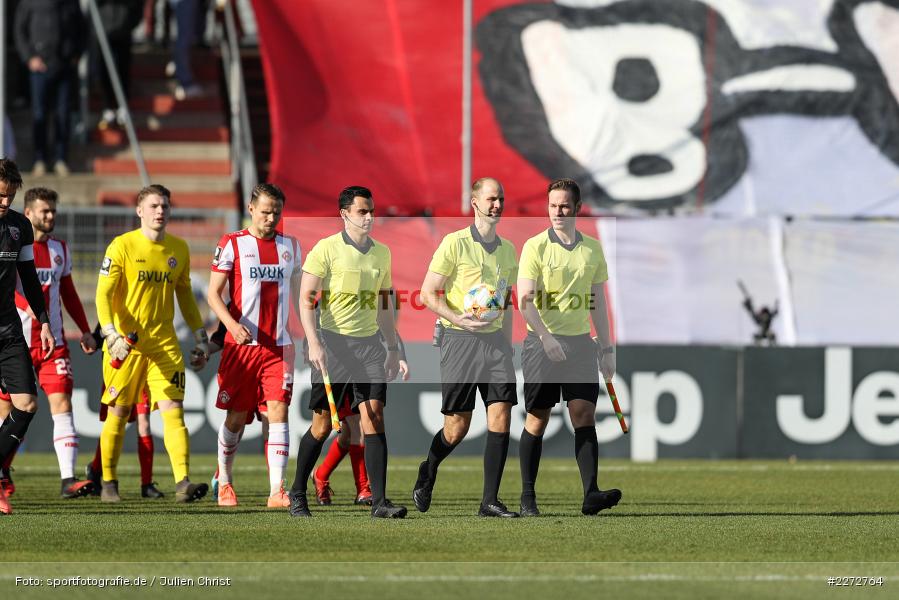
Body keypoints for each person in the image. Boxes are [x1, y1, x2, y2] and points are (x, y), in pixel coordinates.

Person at [288, 185, 405, 518]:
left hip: (369, 346)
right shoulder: (325, 250)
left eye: (371, 211)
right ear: (344, 214)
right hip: (332, 344)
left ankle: (379, 503)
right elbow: (306, 299)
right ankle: (298, 492)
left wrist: (393, 347)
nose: (368, 217)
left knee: (374, 416)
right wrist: (313, 341)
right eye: (361, 211)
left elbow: (385, 305)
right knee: (323, 426)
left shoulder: (382, 252)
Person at [411, 177, 519, 518]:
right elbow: (428, 293)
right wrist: (459, 319)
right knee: (457, 426)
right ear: (474, 203)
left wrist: (508, 341)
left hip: (495, 342)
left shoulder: (508, 249)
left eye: (500, 198)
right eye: (490, 199)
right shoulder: (454, 243)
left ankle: (489, 501)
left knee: (501, 414)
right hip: (459, 339)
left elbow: (506, 301)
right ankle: (428, 468)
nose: (497, 205)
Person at [95, 183, 209, 503]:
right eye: (154, 206)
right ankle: (108, 483)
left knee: (173, 409)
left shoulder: (179, 249)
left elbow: (185, 295)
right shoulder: (122, 246)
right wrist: (110, 333)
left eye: (165, 206)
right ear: (139, 211)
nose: (160, 211)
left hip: (164, 343)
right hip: (126, 344)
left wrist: (201, 337)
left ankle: (183, 483)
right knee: (119, 410)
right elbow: (103, 294)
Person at [516, 178, 622, 517]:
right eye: (552, 206)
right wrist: (546, 338)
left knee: (584, 415)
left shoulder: (591, 249)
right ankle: (527, 497)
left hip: (580, 346)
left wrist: (607, 348)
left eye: (563, 206)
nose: (557, 212)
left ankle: (591, 494)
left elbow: (598, 303)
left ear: (577, 208)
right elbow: (524, 301)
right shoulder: (535, 246)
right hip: (541, 345)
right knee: (537, 419)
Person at [207, 183, 300, 508]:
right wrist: (232, 326)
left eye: (276, 212)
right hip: (241, 347)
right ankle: (225, 482)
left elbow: (300, 296)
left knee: (278, 411)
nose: (271, 218)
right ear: (251, 209)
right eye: (265, 212)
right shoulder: (232, 244)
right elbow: (213, 294)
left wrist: (311, 335)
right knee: (237, 416)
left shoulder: (291, 246)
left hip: (278, 347)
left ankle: (277, 490)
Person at [0, 187, 97, 499]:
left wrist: (84, 329)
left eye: (53, 210)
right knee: (9, 412)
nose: (50, 216)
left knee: (62, 404)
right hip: (17, 338)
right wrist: (31, 309)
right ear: (28, 214)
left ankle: (68, 478)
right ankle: (3, 473)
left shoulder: (60, 250)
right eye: (44, 210)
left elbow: (67, 293)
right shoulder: (13, 240)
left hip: (52, 342)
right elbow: (9, 289)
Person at [0, 158, 55, 514]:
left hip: (7, 329)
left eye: (10, 196)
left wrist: (45, 320)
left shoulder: (19, 226)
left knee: (27, 403)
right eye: (0, 196)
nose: (5, 203)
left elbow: (29, 278)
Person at [14, 0, 87, 176]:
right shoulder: (28, 3)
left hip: (64, 66)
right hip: (39, 67)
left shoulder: (71, 3)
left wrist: (76, 55)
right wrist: (29, 57)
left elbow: (82, 30)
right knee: (40, 113)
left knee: (63, 114)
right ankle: (39, 159)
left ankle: (61, 158)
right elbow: (19, 31)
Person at [93, 0, 144, 129]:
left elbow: (137, 5)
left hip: (123, 27)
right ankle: (107, 107)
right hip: (103, 28)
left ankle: (123, 107)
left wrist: (131, 22)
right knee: (103, 69)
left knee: (123, 68)